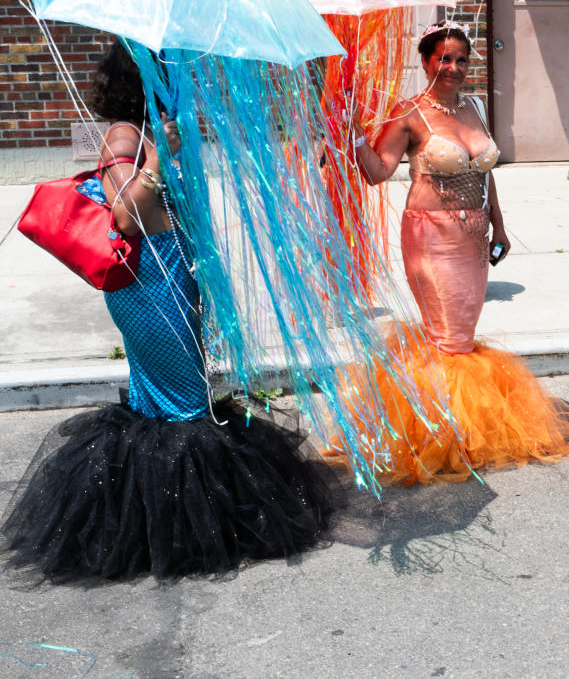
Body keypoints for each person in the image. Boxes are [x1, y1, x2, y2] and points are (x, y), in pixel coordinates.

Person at [0, 42, 333, 582]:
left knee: (168, 397)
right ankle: (189, 529)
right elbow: (126, 218)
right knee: (182, 405)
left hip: (172, 274)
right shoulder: (125, 138)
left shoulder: (151, 133)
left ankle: (166, 519)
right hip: (148, 286)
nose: (180, 82)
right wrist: (157, 160)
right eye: (168, 71)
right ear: (146, 78)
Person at [351, 22, 569, 484]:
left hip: (474, 237)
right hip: (430, 238)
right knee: (449, 340)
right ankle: (441, 435)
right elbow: (378, 172)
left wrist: (498, 222)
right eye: (444, 58)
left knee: (460, 333)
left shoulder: (475, 107)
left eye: (461, 59)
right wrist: (356, 133)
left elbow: (485, 171)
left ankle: (454, 427)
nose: (454, 68)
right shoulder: (409, 115)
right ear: (425, 61)